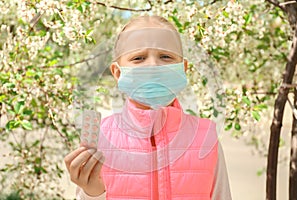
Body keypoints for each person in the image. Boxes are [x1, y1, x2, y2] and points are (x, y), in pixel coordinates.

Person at [64, 15, 232, 200]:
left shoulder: (205, 136)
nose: (152, 65)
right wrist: (92, 193)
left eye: (166, 56)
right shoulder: (100, 138)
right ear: (118, 73)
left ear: (183, 68)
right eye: (139, 57)